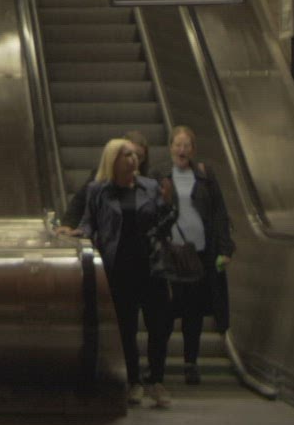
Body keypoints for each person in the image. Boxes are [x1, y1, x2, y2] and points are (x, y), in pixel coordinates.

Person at [75, 137, 178, 409]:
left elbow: (165, 224)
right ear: (114, 160)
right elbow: (89, 222)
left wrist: (169, 205)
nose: (134, 159)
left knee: (159, 326)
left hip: (151, 266)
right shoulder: (98, 190)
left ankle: (156, 379)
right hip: (119, 267)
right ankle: (134, 381)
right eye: (127, 155)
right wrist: (78, 233)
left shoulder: (150, 186)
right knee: (126, 328)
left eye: (135, 155)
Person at [160, 125, 235, 383]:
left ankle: (190, 363)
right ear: (170, 147)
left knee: (193, 312)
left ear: (193, 150)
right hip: (170, 255)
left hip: (199, 254)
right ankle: (158, 363)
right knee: (167, 310)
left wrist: (225, 249)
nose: (182, 150)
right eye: (178, 145)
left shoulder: (205, 175)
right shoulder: (160, 175)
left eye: (187, 146)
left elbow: (219, 213)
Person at [59, 134, 145, 233]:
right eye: (129, 154)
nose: (135, 159)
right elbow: (80, 203)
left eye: (139, 156)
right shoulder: (98, 183)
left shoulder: (148, 183)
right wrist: (68, 225)